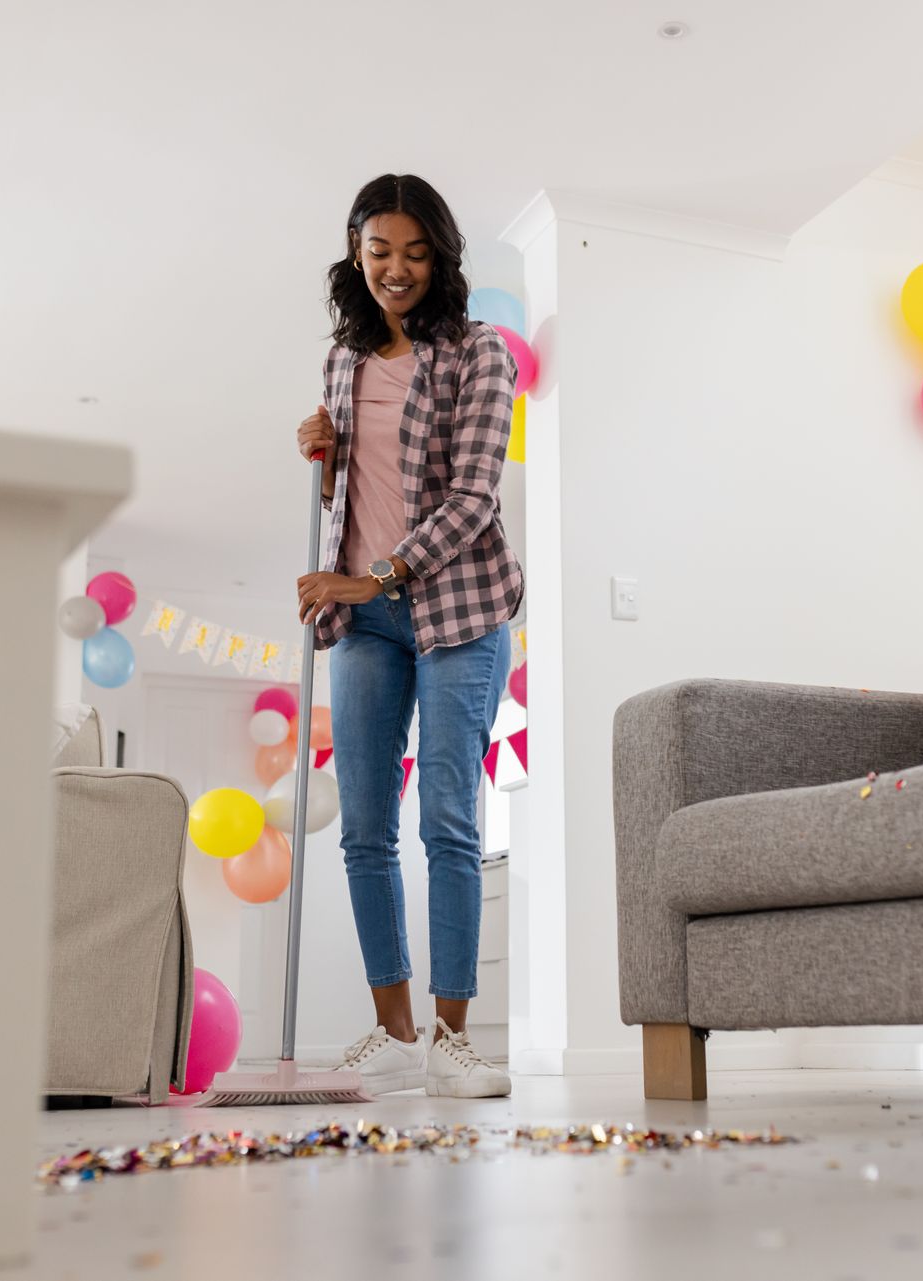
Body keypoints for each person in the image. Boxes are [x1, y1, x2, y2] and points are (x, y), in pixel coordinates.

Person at [294, 173, 522, 1098]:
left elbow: (472, 498)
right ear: (356, 253)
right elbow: (349, 497)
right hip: (365, 623)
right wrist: (322, 458)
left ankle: (451, 1039)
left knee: (448, 819)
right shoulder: (342, 362)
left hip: (458, 609)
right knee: (364, 826)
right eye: (380, 251)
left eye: (416, 253)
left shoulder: (479, 351)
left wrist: (374, 576)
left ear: (442, 258)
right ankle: (393, 1032)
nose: (397, 269)